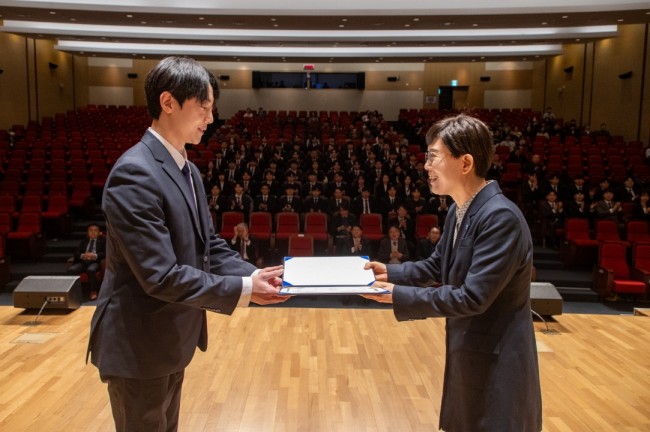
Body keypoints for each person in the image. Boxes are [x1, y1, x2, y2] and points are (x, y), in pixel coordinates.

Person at [87, 56, 288, 432]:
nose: (211, 118)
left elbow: (207, 244)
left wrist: (255, 274)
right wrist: (245, 290)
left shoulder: (188, 169)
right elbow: (160, 276)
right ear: (168, 102)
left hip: (170, 338)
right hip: (138, 344)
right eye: (204, 107)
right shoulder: (135, 173)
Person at [362, 114, 542, 432]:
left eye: (433, 156)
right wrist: (388, 272)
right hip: (471, 354)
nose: (426, 166)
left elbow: (472, 297)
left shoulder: (500, 217)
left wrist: (397, 296)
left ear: (466, 162)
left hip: (499, 364)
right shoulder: (460, 210)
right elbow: (437, 266)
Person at [67, 223, 106, 300]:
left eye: (95, 230)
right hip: (83, 262)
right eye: (91, 230)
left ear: (99, 232)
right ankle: (73, 291)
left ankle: (93, 291)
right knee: (71, 270)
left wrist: (94, 255)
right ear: (88, 232)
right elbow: (76, 252)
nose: (93, 232)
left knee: (91, 270)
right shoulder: (84, 241)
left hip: (95, 262)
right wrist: (83, 255)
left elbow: (105, 252)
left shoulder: (103, 241)